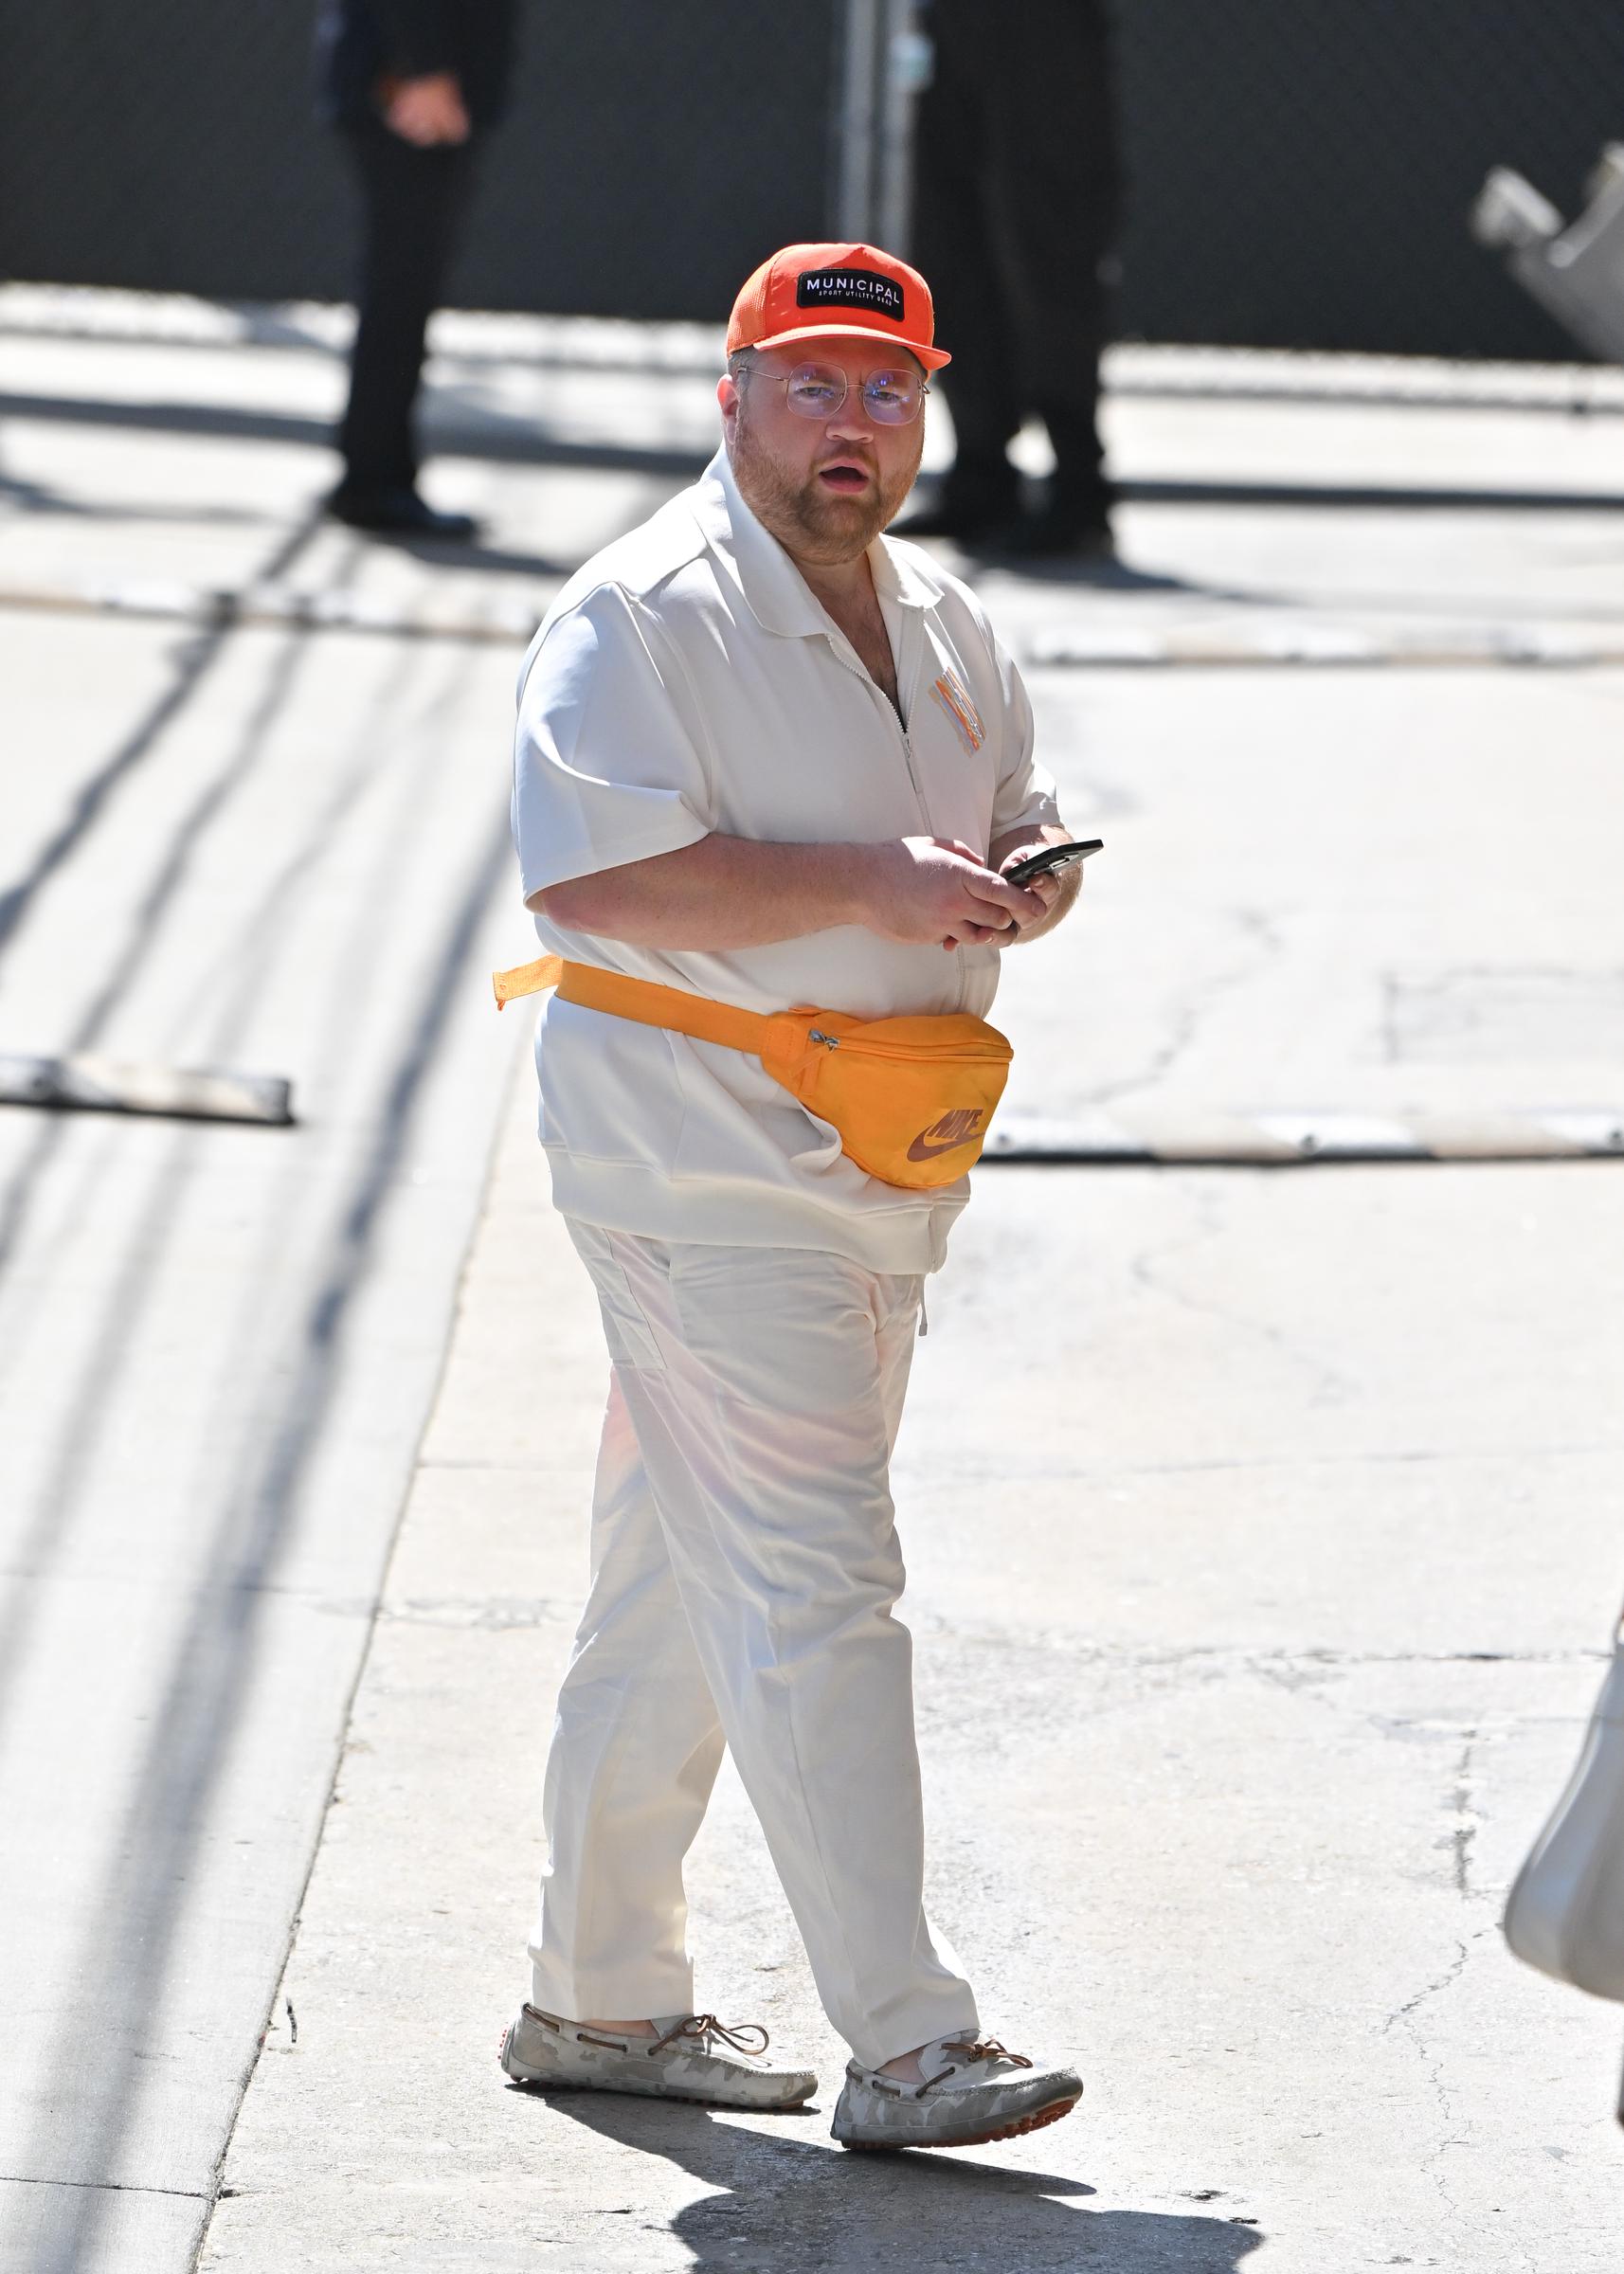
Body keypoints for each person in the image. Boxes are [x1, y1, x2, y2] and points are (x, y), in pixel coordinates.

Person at [497, 242, 1089, 2151]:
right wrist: (871, 880)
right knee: (821, 1585)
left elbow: (993, 809)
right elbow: (590, 884)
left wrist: (1018, 867)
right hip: (700, 1159)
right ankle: (909, 2043)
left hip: (873, 1165)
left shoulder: (938, 613)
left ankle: (598, 1996)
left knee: (679, 1577)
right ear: (730, 393)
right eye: (815, 382)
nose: (855, 423)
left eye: (887, 388)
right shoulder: (639, 612)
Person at [899, 0, 1122, 558]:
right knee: (949, 246)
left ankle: (1078, 487)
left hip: (1041, 26)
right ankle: (982, 474)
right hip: (952, 22)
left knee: (1046, 241)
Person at [314, 0, 518, 537]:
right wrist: (422, 67)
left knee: (401, 290)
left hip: (413, 79)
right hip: (408, 87)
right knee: (399, 291)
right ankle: (373, 483)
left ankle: (377, 477)